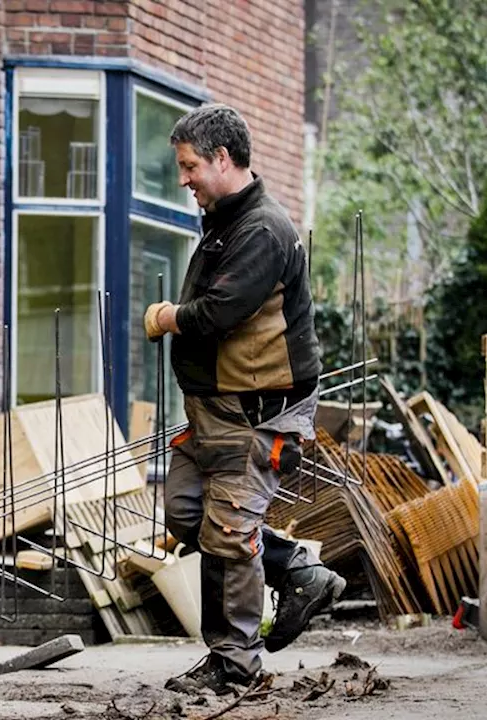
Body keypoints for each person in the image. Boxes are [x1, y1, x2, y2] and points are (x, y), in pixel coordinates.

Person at [144, 104, 346, 695]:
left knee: (228, 532)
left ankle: (234, 665)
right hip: (213, 411)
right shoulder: (226, 219)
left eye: (189, 167)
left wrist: (164, 317)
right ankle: (299, 573)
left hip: (255, 412)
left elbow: (219, 313)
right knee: (186, 513)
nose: (184, 179)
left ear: (223, 159)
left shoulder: (260, 228)